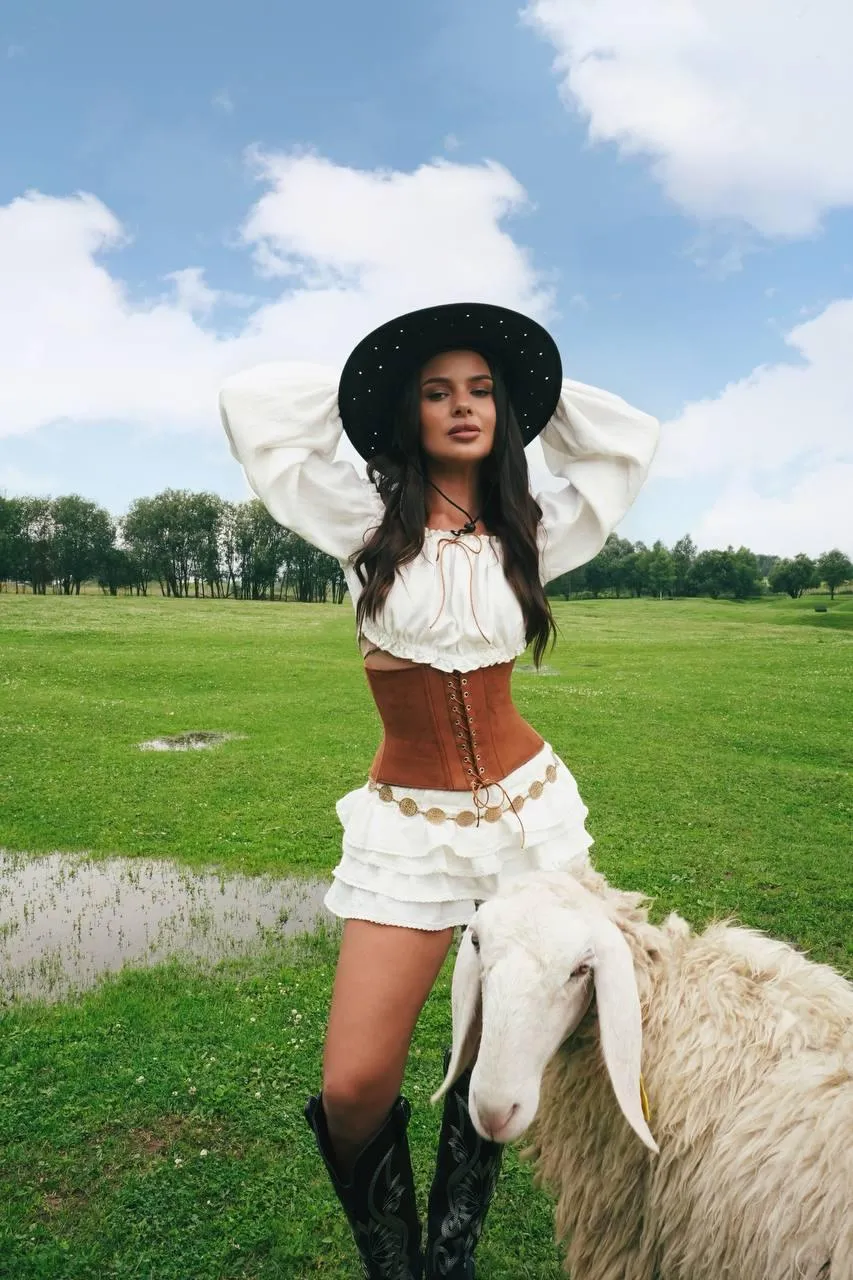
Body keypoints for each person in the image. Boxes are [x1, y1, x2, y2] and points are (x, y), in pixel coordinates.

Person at [219, 301, 659, 1279]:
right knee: (354, 1081)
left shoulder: (530, 532)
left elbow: (629, 442)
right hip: (410, 831)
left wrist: (533, 385)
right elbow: (249, 405)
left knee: (496, 1044)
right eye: (436, 391)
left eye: (481, 390)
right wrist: (364, 382)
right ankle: (394, 1262)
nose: (463, 405)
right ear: (404, 412)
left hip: (531, 821)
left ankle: (450, 1252)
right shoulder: (363, 520)